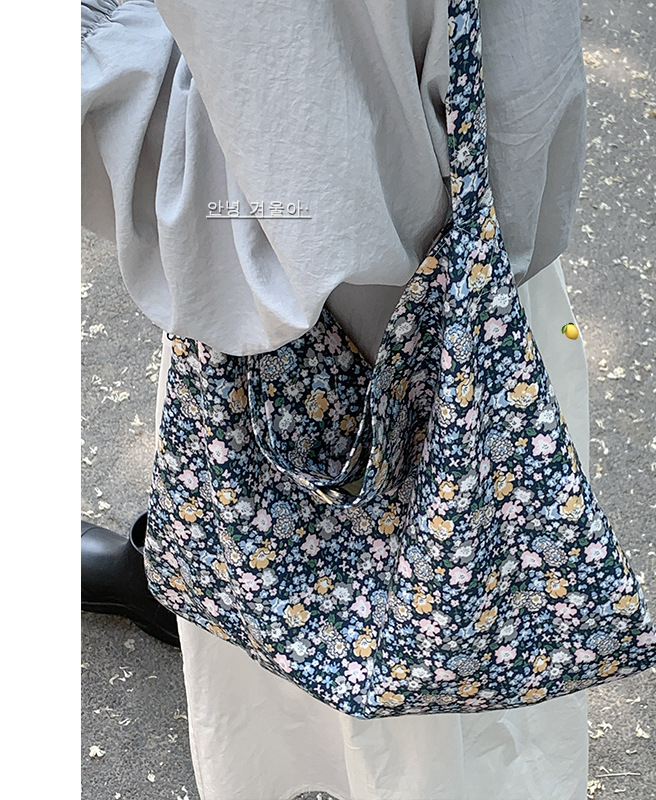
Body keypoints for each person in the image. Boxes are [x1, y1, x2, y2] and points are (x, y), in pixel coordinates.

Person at [81, 0, 591, 797]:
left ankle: (208, 591)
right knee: (444, 661)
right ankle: (203, 589)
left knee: (345, 668)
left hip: (277, 251)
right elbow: (520, 102)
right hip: (451, 272)